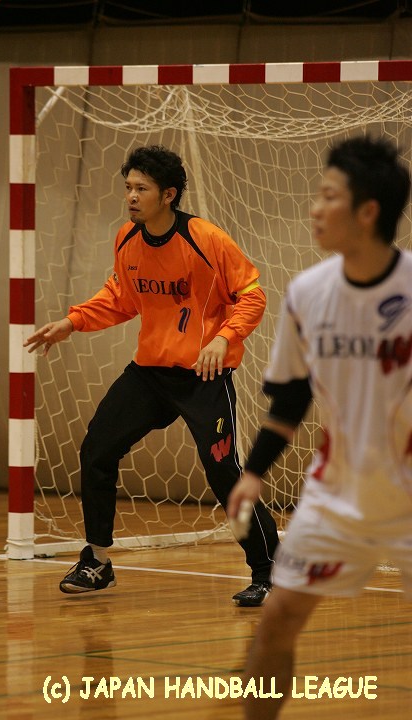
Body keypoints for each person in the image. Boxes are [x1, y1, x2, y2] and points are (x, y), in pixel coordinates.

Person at [24, 144, 279, 606]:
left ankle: (268, 571)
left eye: (141, 188)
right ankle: (97, 561)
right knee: (97, 449)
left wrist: (224, 337)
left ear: (169, 195)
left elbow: (253, 296)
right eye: (128, 187)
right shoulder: (127, 238)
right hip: (149, 375)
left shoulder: (206, 239)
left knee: (223, 473)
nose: (131, 196)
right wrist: (73, 321)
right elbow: (121, 298)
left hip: (204, 377)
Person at [227, 134, 412, 719]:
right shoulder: (308, 293)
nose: (314, 208)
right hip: (338, 496)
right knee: (277, 620)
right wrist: (253, 473)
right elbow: (290, 397)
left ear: (368, 211)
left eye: (328, 196)